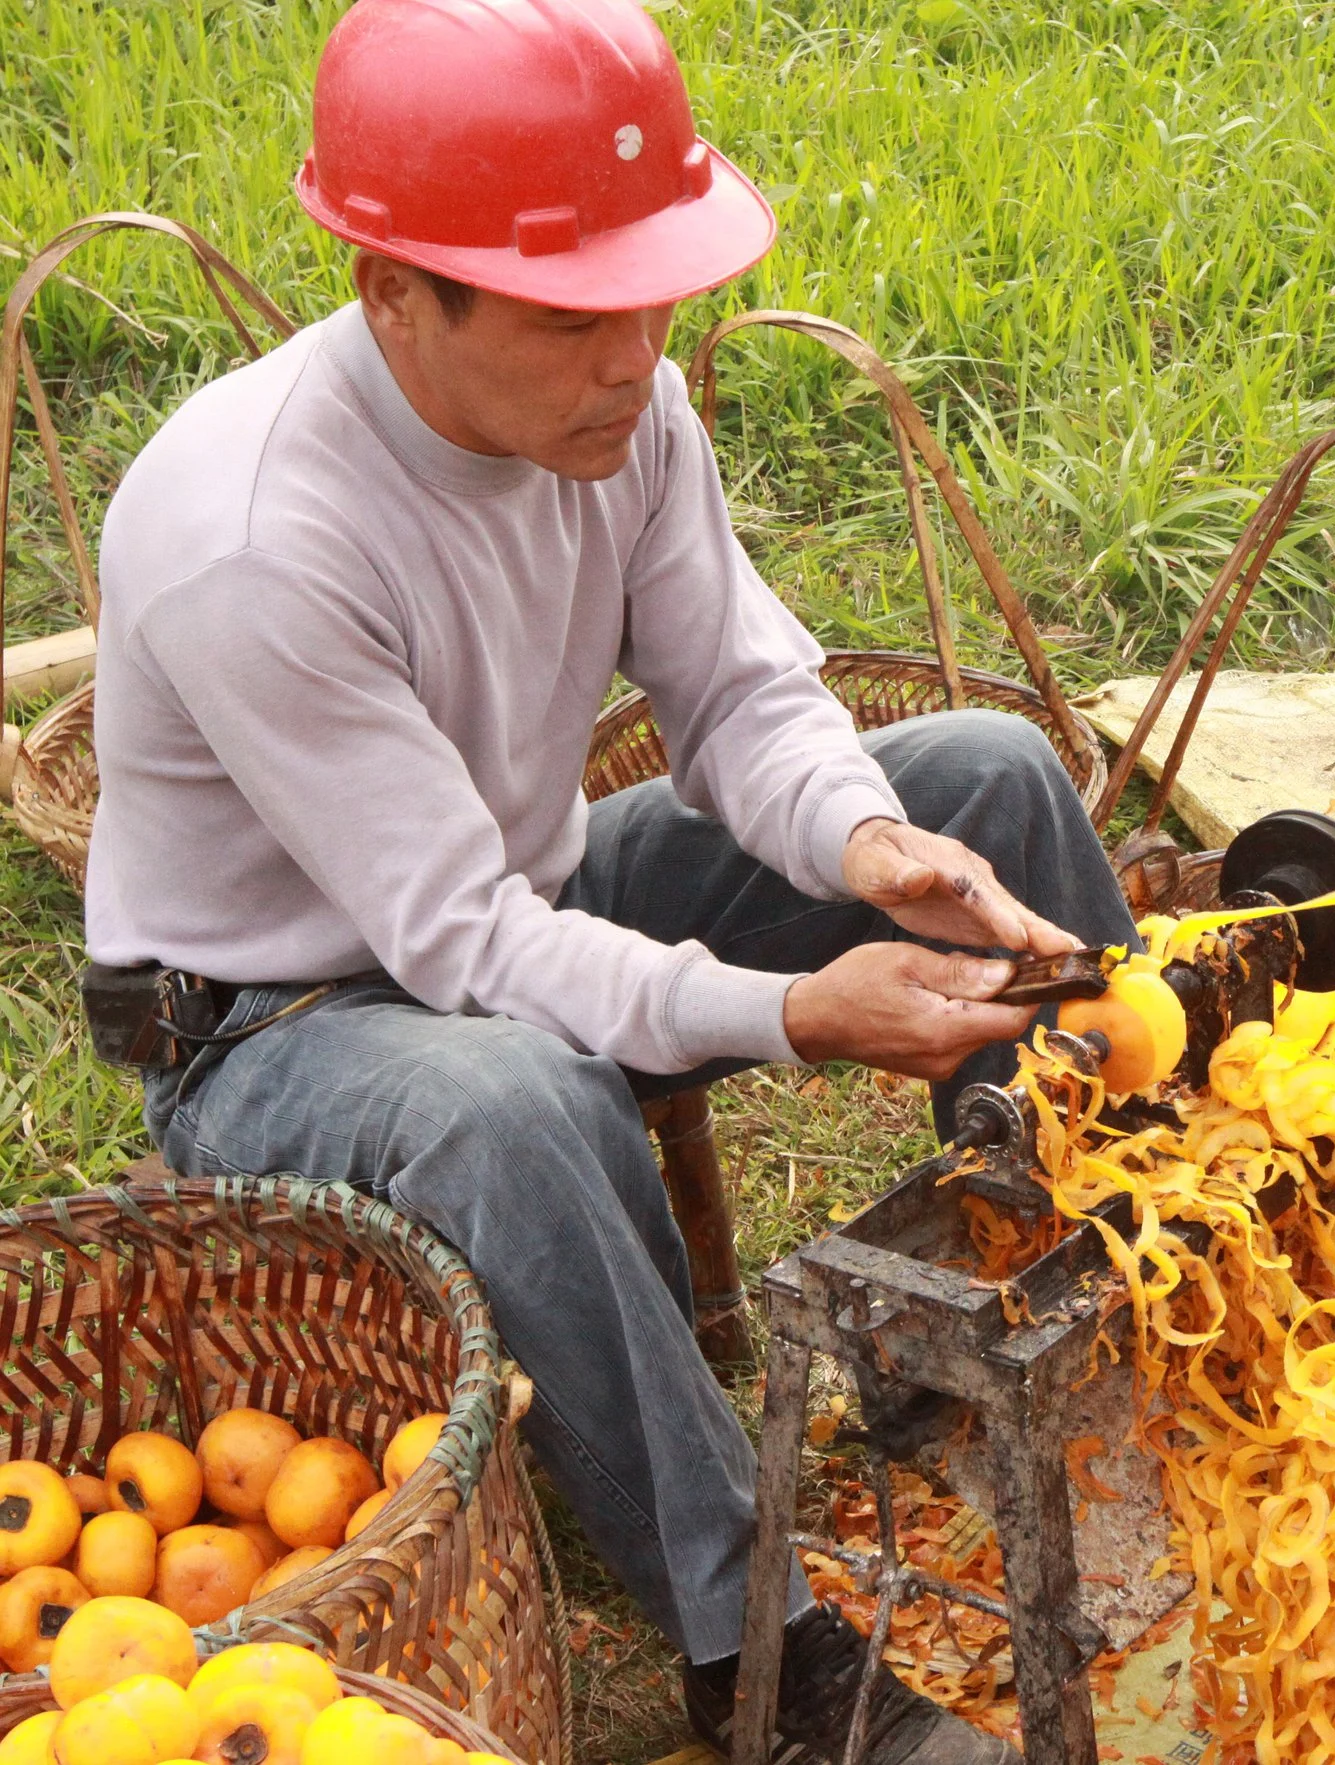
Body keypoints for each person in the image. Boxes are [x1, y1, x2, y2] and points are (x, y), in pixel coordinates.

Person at [81, 1, 1134, 1758]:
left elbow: (736, 696)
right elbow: (460, 945)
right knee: (515, 1100)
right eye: (578, 317)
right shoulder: (250, 532)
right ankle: (766, 1658)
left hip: (527, 888)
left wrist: (873, 846)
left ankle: (1086, 1261)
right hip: (278, 1021)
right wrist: (796, 1011)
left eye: (655, 298)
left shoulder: (622, 417)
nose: (635, 359)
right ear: (394, 293)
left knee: (987, 777)